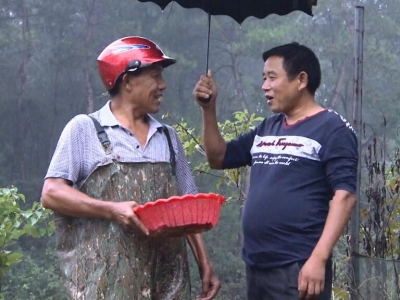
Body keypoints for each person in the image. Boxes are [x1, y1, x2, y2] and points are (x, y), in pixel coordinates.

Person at [41, 36, 220, 300]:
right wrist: (113, 210)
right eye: (155, 76)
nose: (163, 85)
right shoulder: (84, 129)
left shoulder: (168, 138)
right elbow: (51, 193)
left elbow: (187, 205)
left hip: (168, 283)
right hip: (104, 285)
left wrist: (204, 265)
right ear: (127, 81)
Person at [193, 42, 358, 300]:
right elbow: (218, 156)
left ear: (301, 79)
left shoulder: (332, 129)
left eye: (272, 77)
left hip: (299, 267)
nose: (265, 86)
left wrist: (318, 259)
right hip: (257, 266)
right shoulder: (268, 128)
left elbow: (345, 196)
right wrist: (208, 109)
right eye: (263, 78)